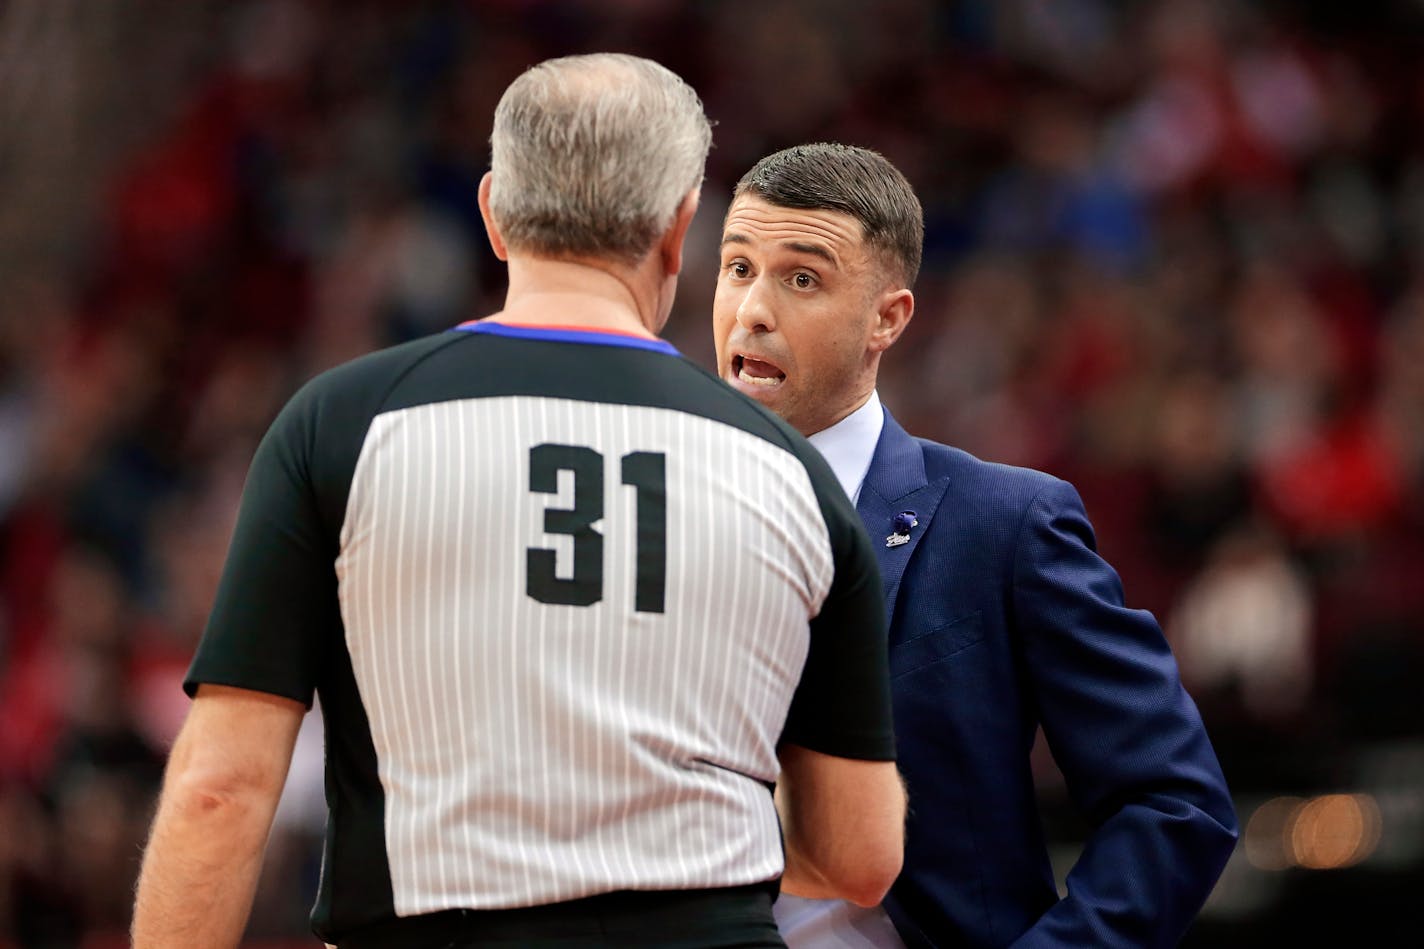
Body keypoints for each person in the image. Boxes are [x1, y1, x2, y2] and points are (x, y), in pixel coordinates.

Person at [131, 58, 906, 949]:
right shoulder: (794, 474)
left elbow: (218, 789)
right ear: (679, 228)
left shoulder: (342, 426)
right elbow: (859, 852)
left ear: (494, 212)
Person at [712, 143, 1238, 948]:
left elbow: (1175, 802)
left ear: (888, 316)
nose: (751, 308)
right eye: (737, 267)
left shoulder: (1002, 523)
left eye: (801, 277)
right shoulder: (656, 517)